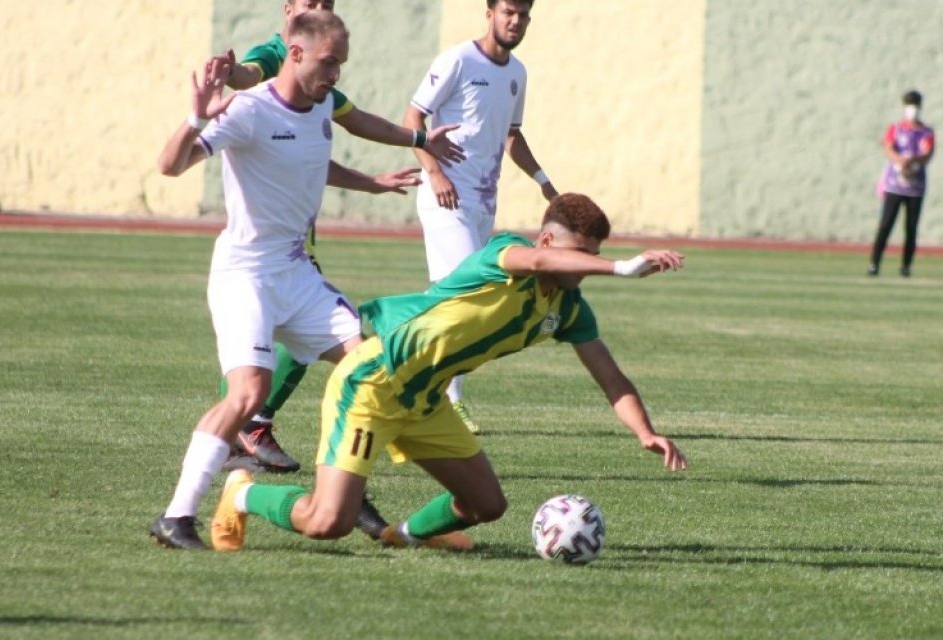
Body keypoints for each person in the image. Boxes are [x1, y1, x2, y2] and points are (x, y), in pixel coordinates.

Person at [207, 193, 688, 554]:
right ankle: (244, 493)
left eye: (593, 255)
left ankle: (404, 535)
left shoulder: (567, 308)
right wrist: (622, 268)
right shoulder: (504, 257)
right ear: (547, 241)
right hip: (374, 385)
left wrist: (645, 432)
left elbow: (611, 377)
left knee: (487, 506)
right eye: (580, 254)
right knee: (328, 522)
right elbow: (538, 260)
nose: (584, 267)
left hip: (426, 401)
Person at [149, 10, 414, 550]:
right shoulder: (247, 110)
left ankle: (343, 487)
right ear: (295, 53)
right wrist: (195, 118)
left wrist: (372, 184)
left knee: (371, 368)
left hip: (294, 271)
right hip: (245, 273)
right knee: (249, 393)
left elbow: (309, 162)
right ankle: (176, 517)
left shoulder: (318, 107)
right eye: (328, 61)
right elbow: (169, 165)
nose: (336, 73)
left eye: (341, 62)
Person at [213, 0, 465, 474]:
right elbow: (250, 76)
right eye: (309, 2)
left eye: (326, 3)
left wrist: (407, 149)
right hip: (261, 246)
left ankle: (252, 424)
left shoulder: (323, 70)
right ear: (288, 11)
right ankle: (249, 425)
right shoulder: (279, 51)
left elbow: (353, 118)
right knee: (290, 344)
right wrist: (230, 77)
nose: (318, 8)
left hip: (293, 233)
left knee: (322, 335)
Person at [402, 0, 558, 433]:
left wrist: (544, 182)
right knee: (470, 297)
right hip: (445, 197)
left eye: (524, 14)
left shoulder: (517, 73)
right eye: (509, 11)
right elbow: (412, 117)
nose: (516, 20)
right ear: (489, 12)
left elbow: (511, 135)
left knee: (448, 297)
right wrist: (433, 173)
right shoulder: (457, 59)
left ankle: (409, 370)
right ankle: (446, 400)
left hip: (482, 202)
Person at [868, 90, 935, 278]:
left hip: (915, 188)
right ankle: (874, 263)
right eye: (908, 105)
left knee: (911, 228)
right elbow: (888, 149)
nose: (911, 109)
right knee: (885, 225)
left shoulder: (926, 132)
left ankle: (906, 266)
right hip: (894, 185)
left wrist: (914, 160)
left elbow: (927, 154)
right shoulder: (896, 128)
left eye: (914, 105)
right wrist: (900, 160)